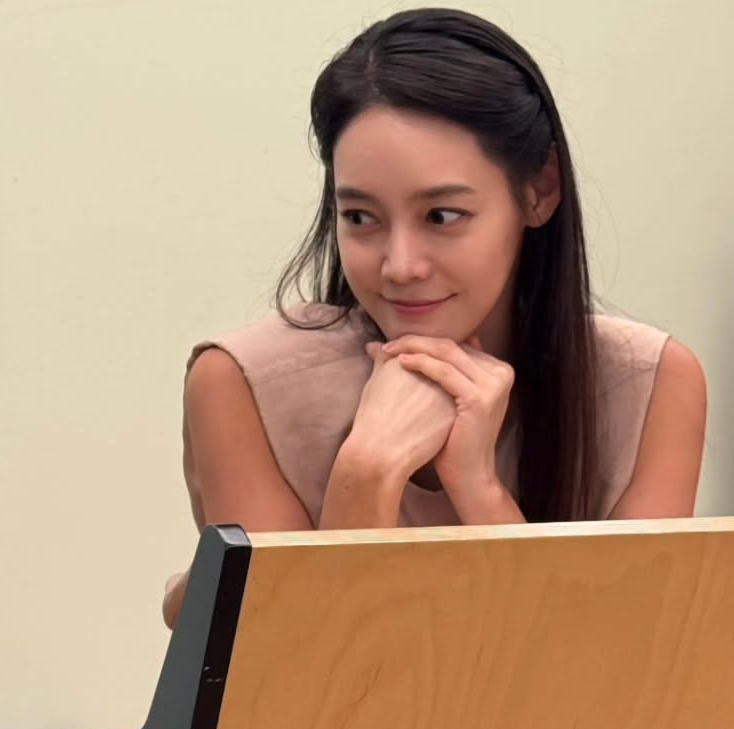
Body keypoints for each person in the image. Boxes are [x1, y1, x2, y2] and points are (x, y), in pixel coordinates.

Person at [164, 6, 706, 627]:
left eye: (442, 216)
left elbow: (613, 663)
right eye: (361, 217)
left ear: (540, 190)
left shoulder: (649, 385)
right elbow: (292, 663)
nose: (400, 266)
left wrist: (479, 489)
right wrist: (367, 471)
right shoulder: (241, 384)